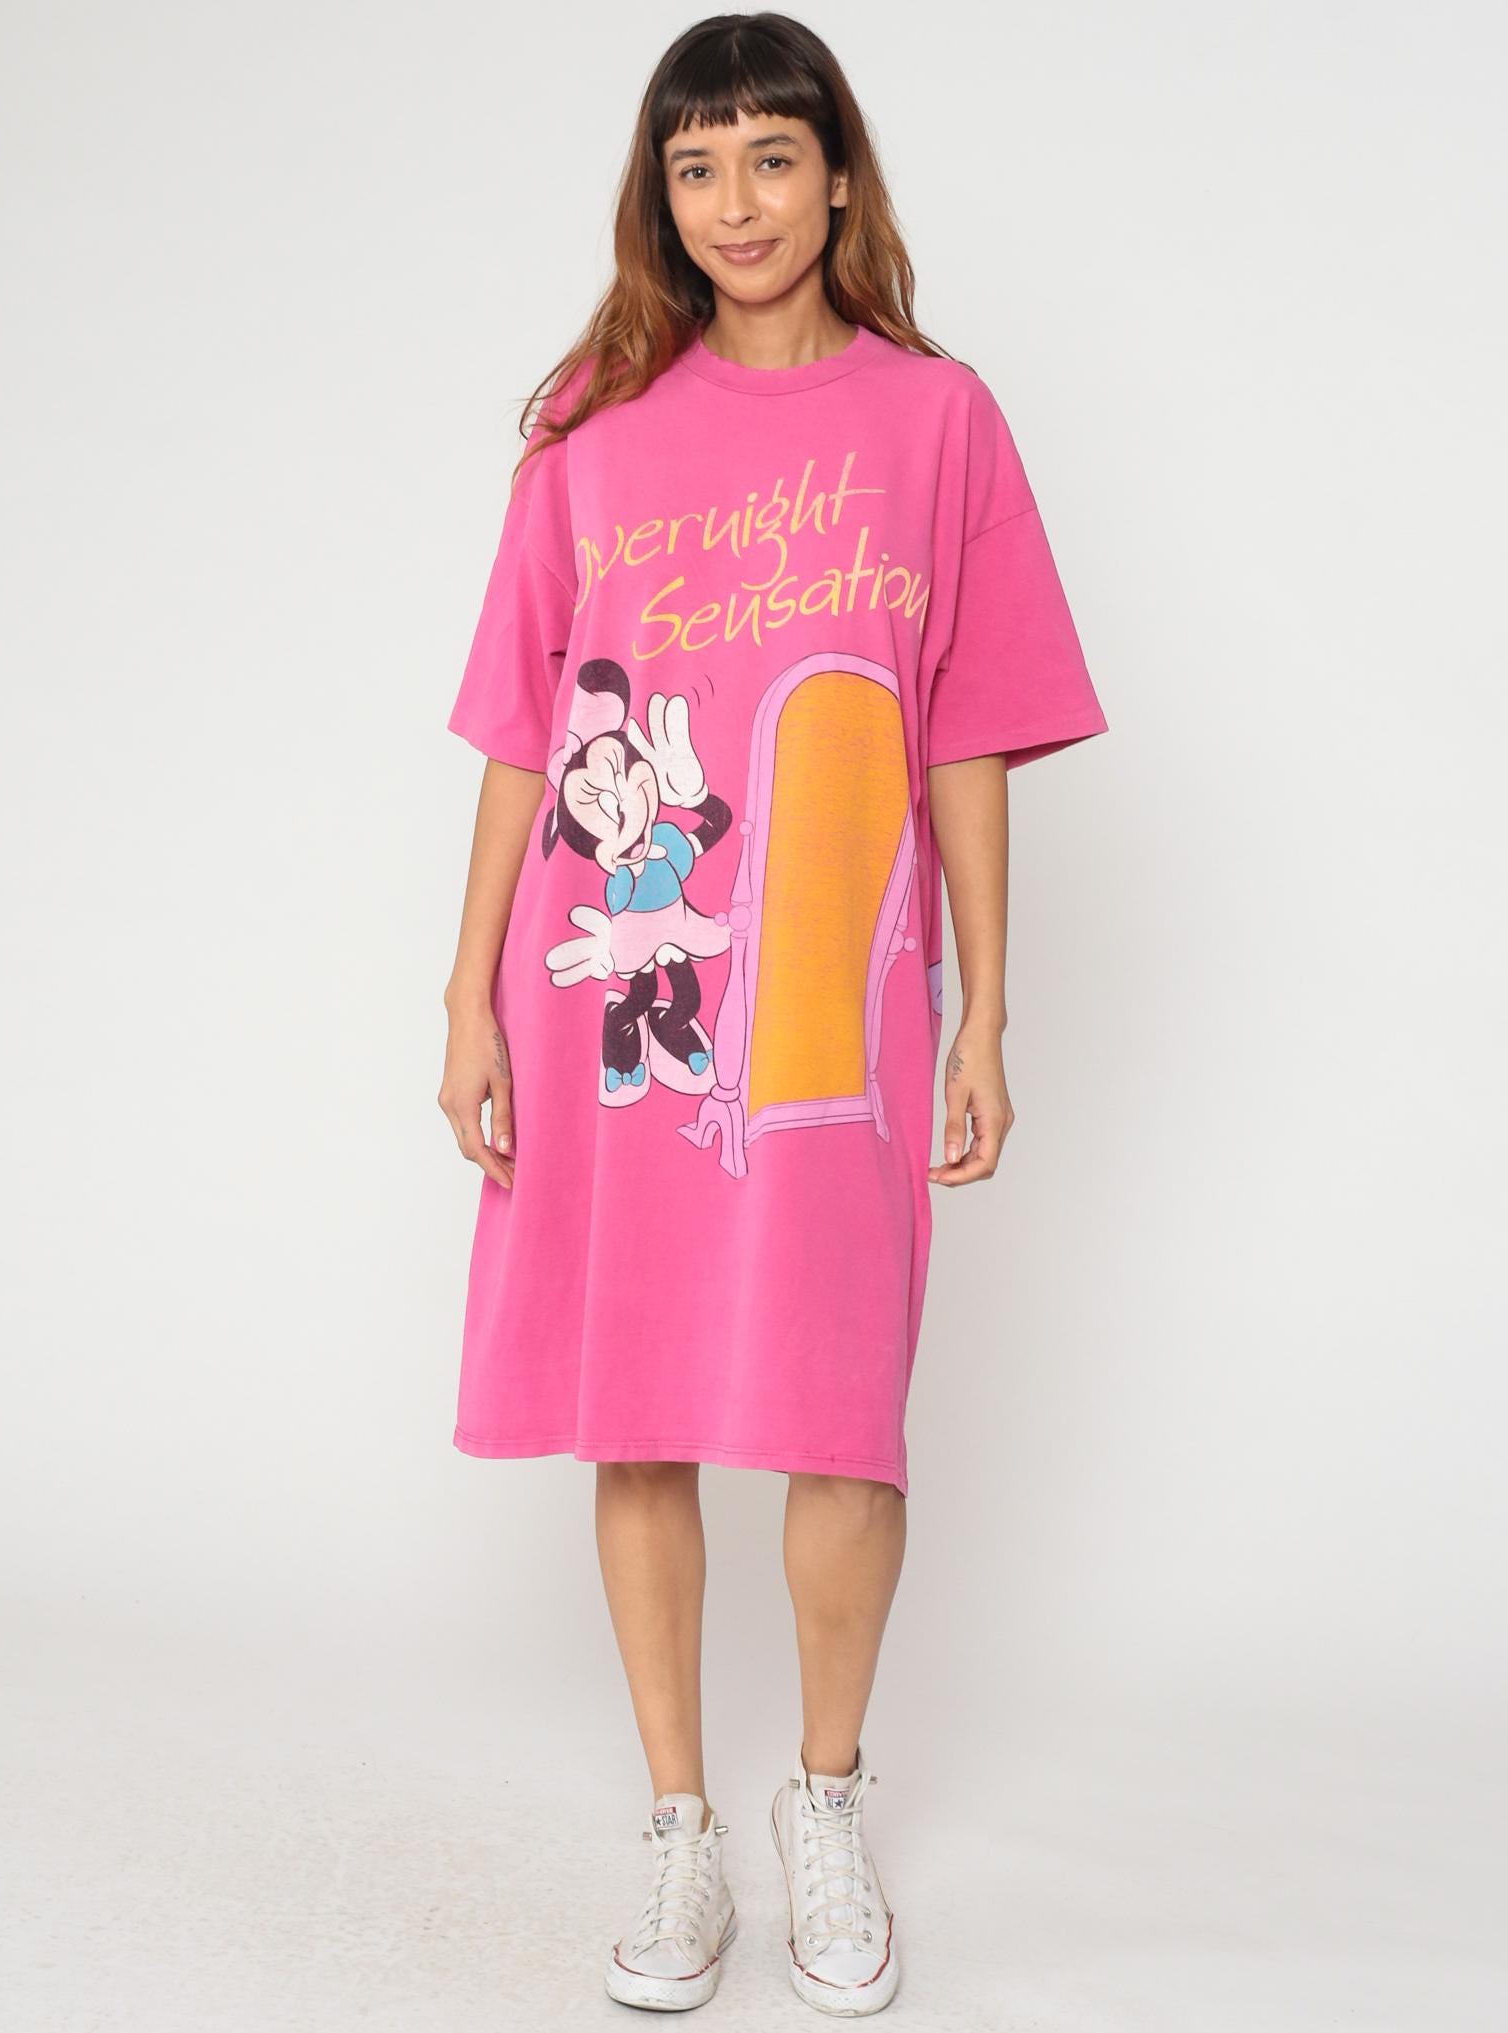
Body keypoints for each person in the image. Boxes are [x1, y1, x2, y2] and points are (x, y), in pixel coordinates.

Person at [437, 12, 1108, 2016]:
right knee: (635, 1407)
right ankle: (679, 1829)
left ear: (837, 177)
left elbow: (967, 728)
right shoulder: (590, 431)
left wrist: (984, 1008)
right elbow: (519, 730)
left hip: (837, 995)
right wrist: (464, 992)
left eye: (769, 157)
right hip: (623, 989)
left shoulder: (938, 421)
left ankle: (825, 1797)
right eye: (695, 165)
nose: (734, 203)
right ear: (660, 197)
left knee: (839, 1411)